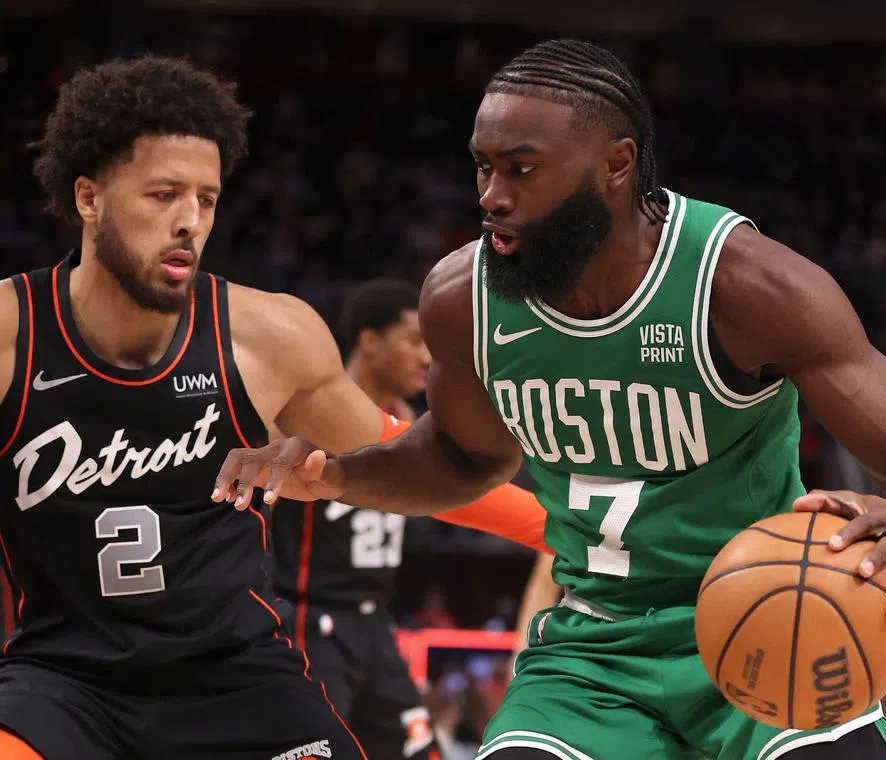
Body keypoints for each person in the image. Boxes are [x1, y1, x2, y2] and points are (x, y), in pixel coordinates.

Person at [215, 39, 886, 760]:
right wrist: (344, 474)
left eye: (521, 170)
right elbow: (465, 460)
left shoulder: (746, 286)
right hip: (592, 654)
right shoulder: (462, 298)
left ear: (616, 165)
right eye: (482, 168)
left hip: (777, 619)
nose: (492, 196)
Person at [0, 55, 549, 760]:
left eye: (206, 198)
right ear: (88, 198)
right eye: (163, 194)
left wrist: (564, 530)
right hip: (62, 683)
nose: (189, 221)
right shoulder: (14, 338)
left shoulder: (267, 337)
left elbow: (412, 464)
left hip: (237, 680)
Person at [271, 277, 547, 759]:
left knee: (424, 752)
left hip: (377, 625)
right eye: (414, 341)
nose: (426, 358)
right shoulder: (306, 414)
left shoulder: (413, 429)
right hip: (309, 622)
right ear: (370, 340)